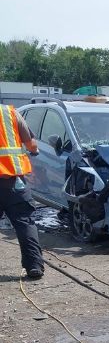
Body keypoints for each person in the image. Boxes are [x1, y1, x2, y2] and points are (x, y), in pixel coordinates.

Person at [0, 104, 44, 279]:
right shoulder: (8, 113)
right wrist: (34, 150)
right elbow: (30, 143)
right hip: (12, 180)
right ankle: (34, 266)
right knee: (24, 222)